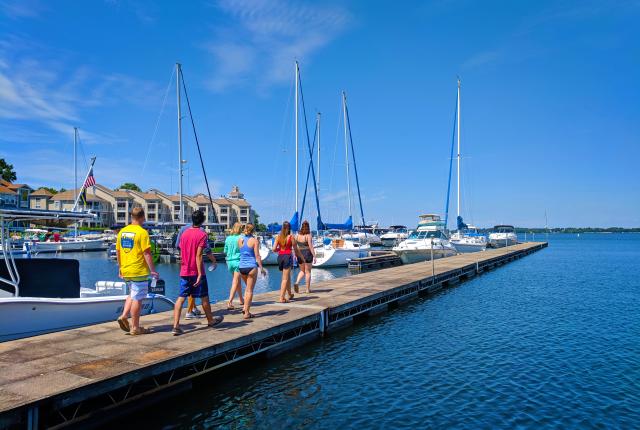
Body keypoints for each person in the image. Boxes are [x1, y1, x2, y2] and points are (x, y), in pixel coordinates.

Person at [172, 210, 223, 335]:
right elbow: (199, 255)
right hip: (196, 272)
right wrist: (200, 273)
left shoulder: (184, 234)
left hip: (184, 270)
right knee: (204, 297)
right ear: (202, 220)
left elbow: (180, 249)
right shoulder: (202, 235)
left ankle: (175, 326)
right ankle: (210, 320)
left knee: (180, 298)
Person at [116, 207, 159, 335]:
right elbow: (147, 253)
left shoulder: (122, 232)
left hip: (126, 269)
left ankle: (124, 316)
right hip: (138, 270)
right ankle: (135, 327)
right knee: (138, 298)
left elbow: (118, 251)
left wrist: (120, 267)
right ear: (142, 217)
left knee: (133, 293)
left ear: (131, 217)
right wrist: (153, 271)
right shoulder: (142, 232)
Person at [174, 222, 218, 319]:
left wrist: (185, 255)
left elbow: (178, 245)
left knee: (182, 296)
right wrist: (213, 260)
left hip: (184, 266)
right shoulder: (201, 232)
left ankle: (177, 324)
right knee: (204, 296)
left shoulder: (183, 230)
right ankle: (200, 316)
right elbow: (203, 251)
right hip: (196, 267)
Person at [237, 223, 266, 319]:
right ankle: (247, 313)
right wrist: (261, 268)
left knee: (247, 288)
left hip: (241, 267)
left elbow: (242, 252)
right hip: (251, 267)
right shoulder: (254, 241)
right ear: (253, 230)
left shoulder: (240, 240)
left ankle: (245, 308)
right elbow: (257, 256)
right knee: (250, 290)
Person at [272, 221, 303, 303]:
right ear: (289, 228)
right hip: (287, 257)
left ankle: (289, 294)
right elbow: (296, 249)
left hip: (280, 257)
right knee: (285, 279)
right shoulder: (291, 237)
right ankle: (281, 297)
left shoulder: (278, 237)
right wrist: (300, 257)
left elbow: (274, 249)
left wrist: (280, 249)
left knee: (287, 276)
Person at [224, 222, 244, 310]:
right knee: (235, 281)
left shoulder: (228, 238)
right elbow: (243, 250)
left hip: (229, 262)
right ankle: (230, 302)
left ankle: (241, 299)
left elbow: (225, 250)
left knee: (237, 281)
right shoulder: (241, 238)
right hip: (237, 261)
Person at [293, 220, 316, 293]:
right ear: (308, 227)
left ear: (302, 227)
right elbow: (311, 247)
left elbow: (295, 246)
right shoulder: (308, 236)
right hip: (307, 254)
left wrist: (295, 254)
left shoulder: (297, 236)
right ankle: (307, 289)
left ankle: (297, 282)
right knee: (308, 272)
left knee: (302, 270)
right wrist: (314, 256)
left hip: (299, 254)